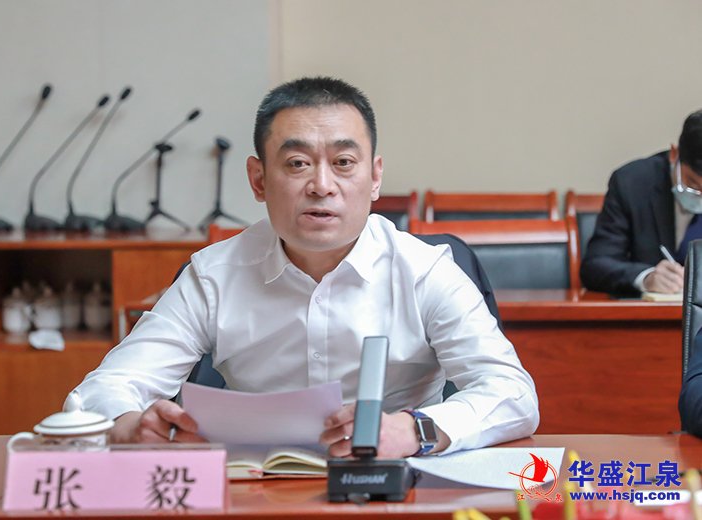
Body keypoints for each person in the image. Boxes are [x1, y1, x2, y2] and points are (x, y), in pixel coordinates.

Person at [68, 77, 539, 457]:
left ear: (375, 177)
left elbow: (512, 392)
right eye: (297, 163)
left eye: (344, 162)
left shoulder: (424, 270)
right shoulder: (214, 275)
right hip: (254, 492)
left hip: (393, 486)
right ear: (258, 179)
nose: (322, 185)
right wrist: (128, 425)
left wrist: (413, 430)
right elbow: (106, 388)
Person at [581, 110, 702, 296]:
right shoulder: (632, 183)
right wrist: (647, 277)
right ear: (674, 155)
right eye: (692, 184)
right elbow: (596, 265)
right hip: (648, 310)